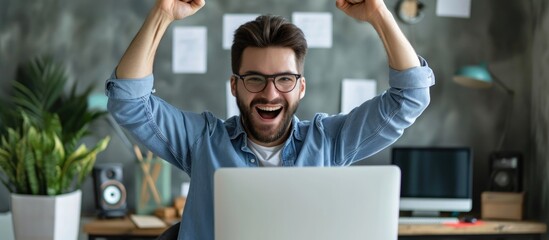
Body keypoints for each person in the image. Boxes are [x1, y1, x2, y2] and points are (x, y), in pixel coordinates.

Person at [105, 0, 434, 239]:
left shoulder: (330, 142)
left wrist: (378, 12)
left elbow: (410, 97)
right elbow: (128, 101)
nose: (270, 93)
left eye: (284, 79)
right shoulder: (202, 141)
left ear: (301, 87)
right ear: (235, 85)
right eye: (255, 79)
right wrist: (162, 12)